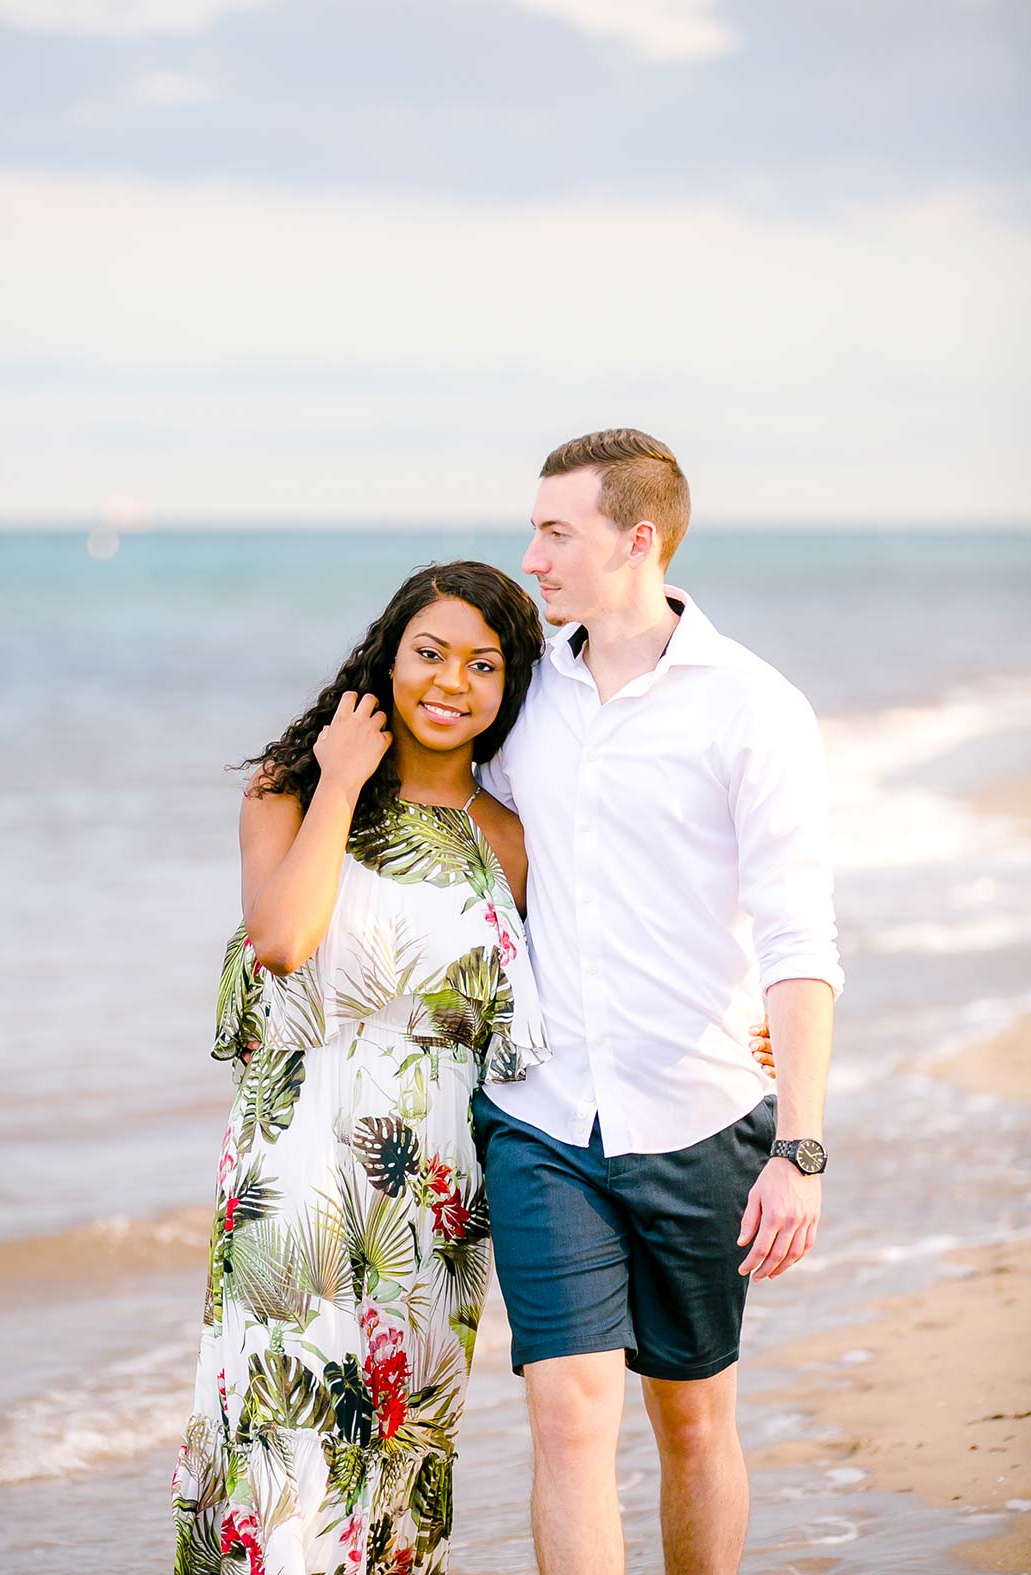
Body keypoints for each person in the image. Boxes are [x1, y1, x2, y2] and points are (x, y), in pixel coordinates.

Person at [472, 429, 843, 1575]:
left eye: (556, 531)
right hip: (542, 1113)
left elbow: (798, 935)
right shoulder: (521, 691)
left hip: (700, 1115)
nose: (530, 556)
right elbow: (453, 807)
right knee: (569, 1412)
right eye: (534, 527)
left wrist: (802, 1146)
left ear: (639, 540)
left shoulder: (754, 708)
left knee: (691, 1420)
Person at [171, 562, 550, 1575]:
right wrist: (340, 778)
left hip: (429, 1190)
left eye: (484, 664)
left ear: (510, 688)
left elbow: (582, 1004)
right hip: (291, 1161)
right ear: (389, 655)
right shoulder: (287, 793)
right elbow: (286, 941)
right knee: (283, 1432)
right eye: (430, 653)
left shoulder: (509, 839)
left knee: (399, 1438)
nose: (451, 683)